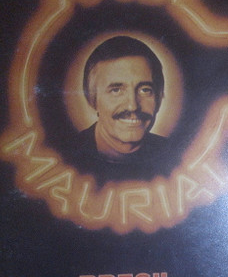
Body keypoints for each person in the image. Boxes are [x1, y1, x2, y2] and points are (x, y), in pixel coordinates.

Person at [72, 36, 171, 183]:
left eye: (145, 90)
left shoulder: (176, 155)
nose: (133, 106)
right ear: (92, 100)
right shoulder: (65, 156)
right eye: (116, 90)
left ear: (159, 96)